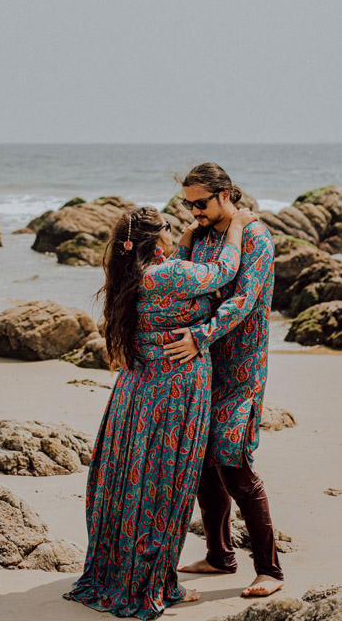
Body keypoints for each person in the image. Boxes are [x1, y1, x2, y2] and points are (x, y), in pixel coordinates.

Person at [64, 204, 256, 620]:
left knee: (130, 481)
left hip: (135, 394)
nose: (177, 230)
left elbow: (176, 268)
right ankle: (152, 580)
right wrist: (238, 225)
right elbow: (223, 270)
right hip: (173, 395)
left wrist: (182, 238)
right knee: (163, 485)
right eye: (168, 228)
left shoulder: (130, 276)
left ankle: (120, 571)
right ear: (156, 240)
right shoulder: (168, 274)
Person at [163, 162, 284, 598]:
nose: (193, 210)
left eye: (200, 203)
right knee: (201, 464)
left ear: (226, 194)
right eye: (187, 203)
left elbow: (245, 300)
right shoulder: (202, 236)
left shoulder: (255, 237)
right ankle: (219, 556)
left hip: (243, 369)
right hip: (204, 369)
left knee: (234, 465)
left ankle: (270, 570)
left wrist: (199, 336)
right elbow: (187, 285)